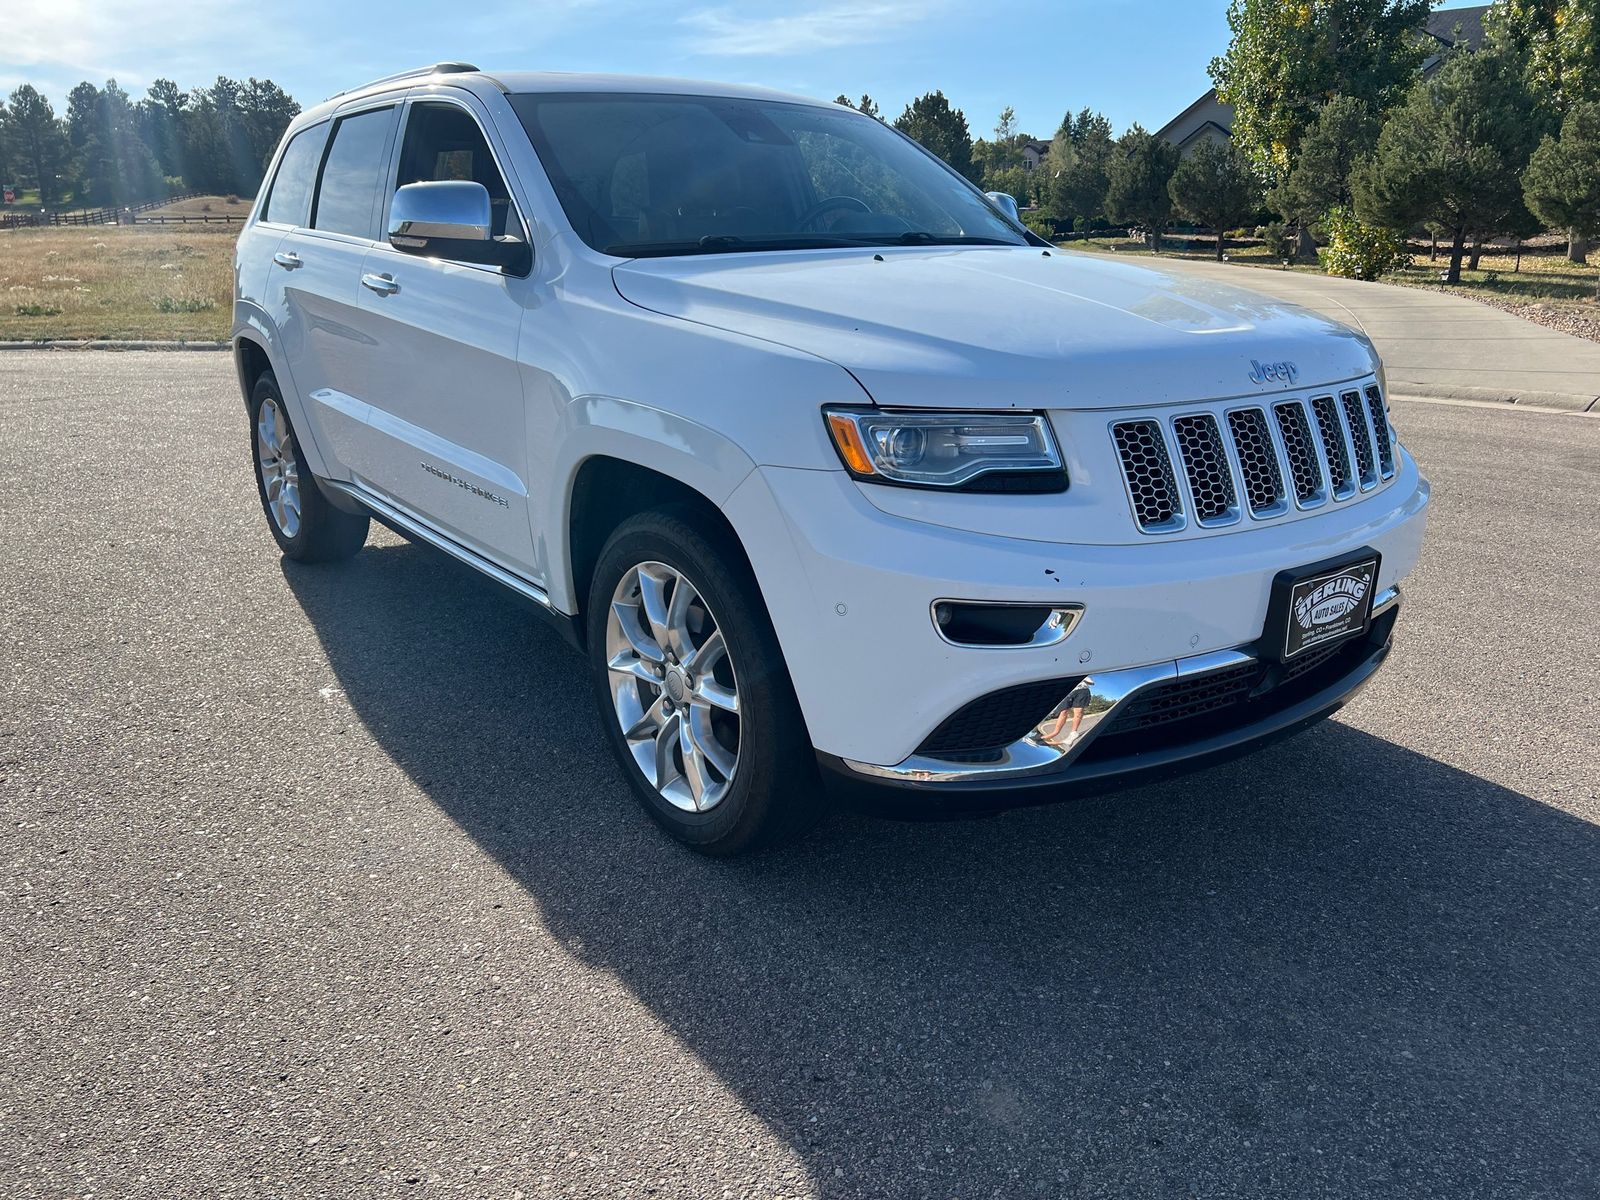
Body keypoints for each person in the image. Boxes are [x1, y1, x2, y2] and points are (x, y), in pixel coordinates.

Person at [1038, 678, 1094, 748]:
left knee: (1078, 711)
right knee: (1063, 711)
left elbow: (1091, 682)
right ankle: (1055, 733)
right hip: (1071, 692)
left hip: (1082, 690)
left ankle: (1073, 733)